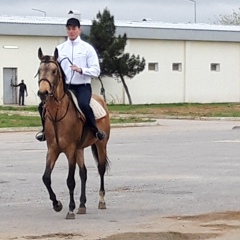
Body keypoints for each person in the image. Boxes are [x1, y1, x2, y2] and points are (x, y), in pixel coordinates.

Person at [36, 17, 106, 142]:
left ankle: (95, 130)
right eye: (69, 29)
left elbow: (96, 70)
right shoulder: (60, 49)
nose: (71, 31)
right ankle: (44, 131)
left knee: (84, 105)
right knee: (42, 106)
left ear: (79, 30)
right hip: (65, 87)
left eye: (74, 28)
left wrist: (82, 70)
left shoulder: (87, 49)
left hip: (82, 87)